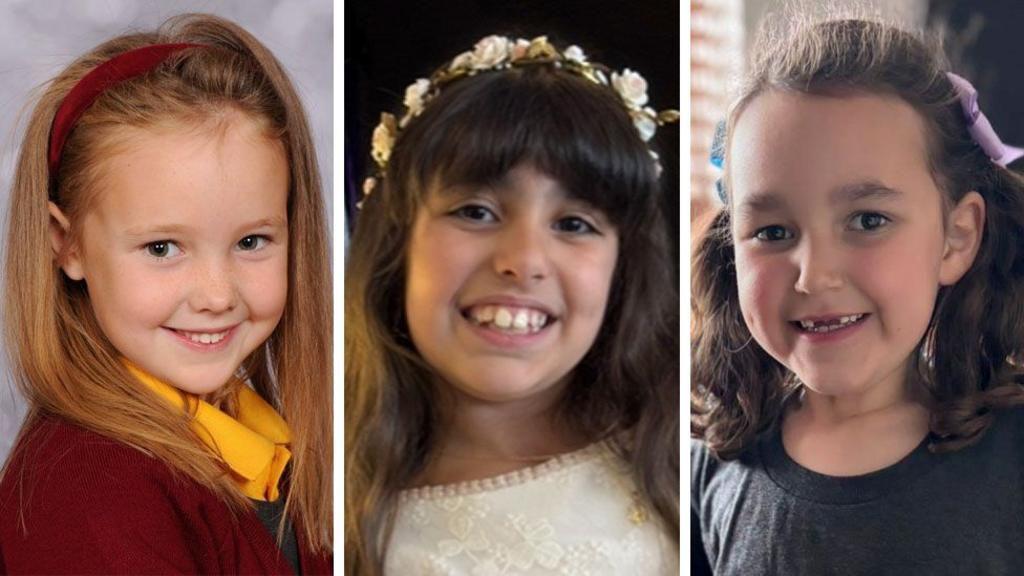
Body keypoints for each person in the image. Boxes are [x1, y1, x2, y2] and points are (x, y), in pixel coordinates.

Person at [691, 15, 1024, 575]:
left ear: (956, 236)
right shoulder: (711, 464)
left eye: (868, 220)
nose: (813, 276)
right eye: (773, 232)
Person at [0, 14, 332, 574]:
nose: (216, 295)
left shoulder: (264, 438)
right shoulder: (88, 494)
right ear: (68, 244)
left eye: (252, 241)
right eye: (162, 248)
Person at [345, 34, 680, 574]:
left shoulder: (679, 464)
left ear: (623, 268)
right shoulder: (330, 508)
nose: (524, 261)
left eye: (573, 224)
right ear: (397, 239)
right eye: (475, 212)